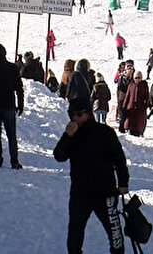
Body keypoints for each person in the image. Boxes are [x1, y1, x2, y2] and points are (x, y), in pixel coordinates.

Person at [54, 98, 129, 254]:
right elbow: (59, 156)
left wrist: (123, 183)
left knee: (115, 234)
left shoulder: (105, 132)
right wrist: (67, 136)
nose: (76, 119)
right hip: (80, 193)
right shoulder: (72, 135)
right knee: (75, 233)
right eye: (73, 115)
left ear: (89, 114)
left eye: (80, 114)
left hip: (105, 192)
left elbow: (119, 158)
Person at [122, 71, 149, 136]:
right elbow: (127, 96)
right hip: (131, 107)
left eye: (139, 78)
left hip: (140, 107)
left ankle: (139, 132)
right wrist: (124, 106)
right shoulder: (131, 85)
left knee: (139, 122)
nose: (137, 79)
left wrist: (145, 105)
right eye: (136, 78)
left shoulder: (144, 85)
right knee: (130, 121)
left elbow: (147, 96)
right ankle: (130, 131)